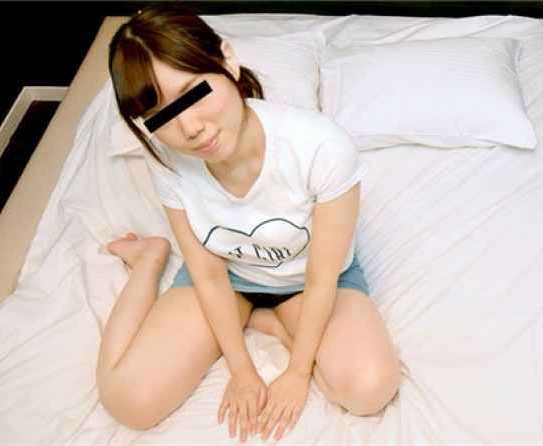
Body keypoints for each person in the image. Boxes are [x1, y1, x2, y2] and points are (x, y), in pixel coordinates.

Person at [96, 4, 401, 443]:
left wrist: (297, 372)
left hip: (310, 280)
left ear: (228, 61)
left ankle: (266, 319)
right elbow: (208, 275)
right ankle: (148, 259)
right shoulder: (168, 159)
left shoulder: (320, 147)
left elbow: (320, 278)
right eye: (161, 116)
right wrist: (241, 370)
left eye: (194, 93)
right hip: (228, 277)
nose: (190, 128)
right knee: (128, 400)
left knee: (370, 388)